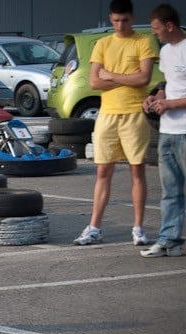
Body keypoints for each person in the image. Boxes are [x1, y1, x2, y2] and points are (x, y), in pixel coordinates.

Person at [73, 0, 158, 246]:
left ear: (132, 18)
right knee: (103, 171)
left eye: (125, 20)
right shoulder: (102, 44)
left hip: (134, 113)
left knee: (137, 170)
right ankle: (94, 227)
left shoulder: (144, 41)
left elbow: (144, 78)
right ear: (110, 19)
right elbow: (94, 83)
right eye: (116, 20)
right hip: (107, 114)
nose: (121, 24)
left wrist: (110, 75)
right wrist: (125, 79)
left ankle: (139, 228)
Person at [140, 4, 186, 258]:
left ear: (169, 26)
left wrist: (170, 104)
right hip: (167, 131)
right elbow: (168, 84)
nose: (154, 34)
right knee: (170, 192)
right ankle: (170, 241)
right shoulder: (167, 51)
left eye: (157, 30)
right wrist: (156, 97)